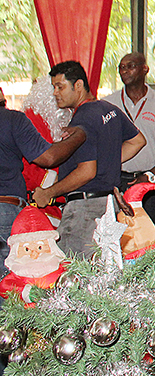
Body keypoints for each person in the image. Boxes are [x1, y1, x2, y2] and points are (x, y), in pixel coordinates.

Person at [34, 61, 145, 258]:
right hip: (107, 205)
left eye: (60, 87)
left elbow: (86, 172)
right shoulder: (109, 109)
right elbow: (137, 141)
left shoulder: (82, 119)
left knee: (74, 274)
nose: (55, 93)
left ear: (78, 85)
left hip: (85, 209)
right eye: (53, 87)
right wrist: (107, 162)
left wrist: (48, 193)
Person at [0, 103, 84, 275]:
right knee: (11, 279)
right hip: (6, 208)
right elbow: (48, 157)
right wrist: (79, 136)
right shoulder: (11, 119)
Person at [105, 52, 155, 226]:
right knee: (118, 233)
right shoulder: (108, 104)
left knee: (147, 234)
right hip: (117, 179)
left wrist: (150, 175)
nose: (125, 71)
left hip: (150, 179)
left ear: (145, 69)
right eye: (121, 68)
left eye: (130, 66)